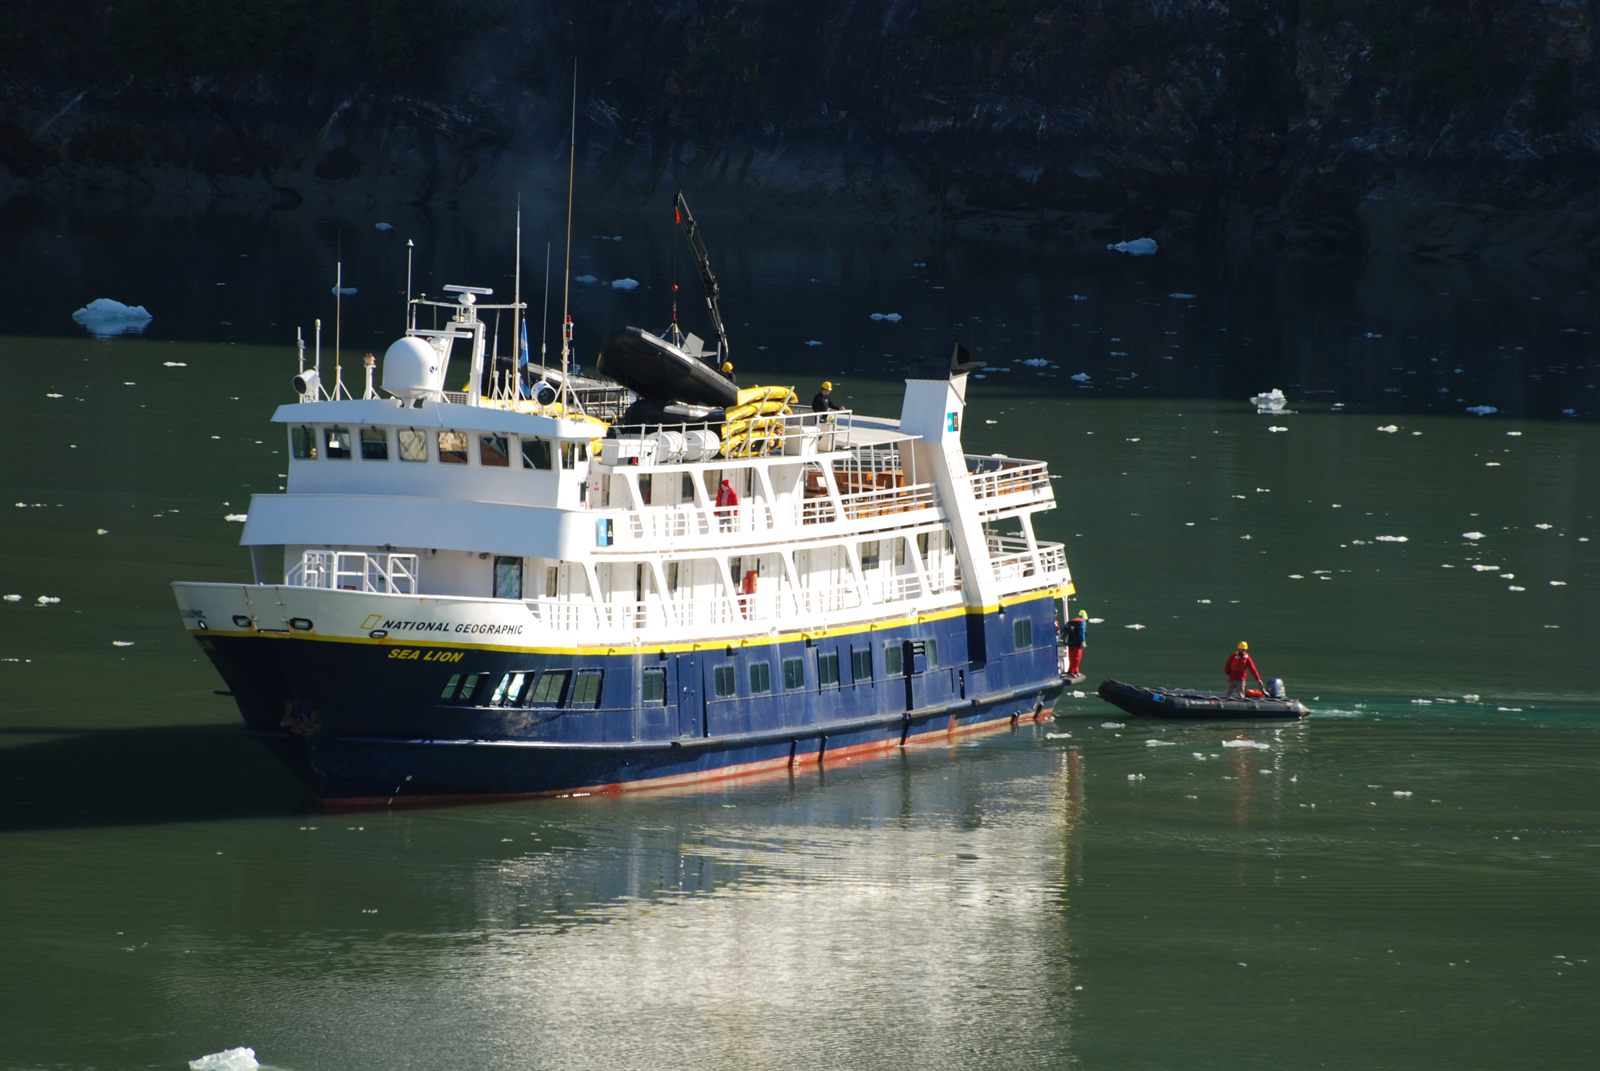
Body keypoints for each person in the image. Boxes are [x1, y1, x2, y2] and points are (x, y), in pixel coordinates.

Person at [1064, 609, 1088, 675]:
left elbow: (1064, 628)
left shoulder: (1071, 622)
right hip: (1077, 644)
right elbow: (1081, 633)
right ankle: (1074, 671)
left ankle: (1072, 670)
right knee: (1077, 658)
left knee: (1071, 657)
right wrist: (1083, 641)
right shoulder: (1082, 623)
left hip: (1070, 643)